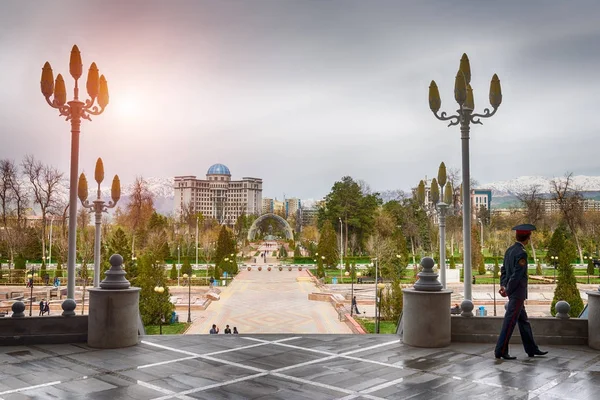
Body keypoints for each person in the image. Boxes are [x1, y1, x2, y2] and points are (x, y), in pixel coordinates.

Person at [495, 224, 548, 360]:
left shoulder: (509, 250)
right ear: (528, 238)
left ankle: (532, 349)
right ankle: (500, 350)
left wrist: (503, 285)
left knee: (523, 321)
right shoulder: (521, 253)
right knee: (510, 321)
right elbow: (517, 275)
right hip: (517, 293)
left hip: (512, 291)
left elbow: (504, 270)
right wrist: (508, 289)